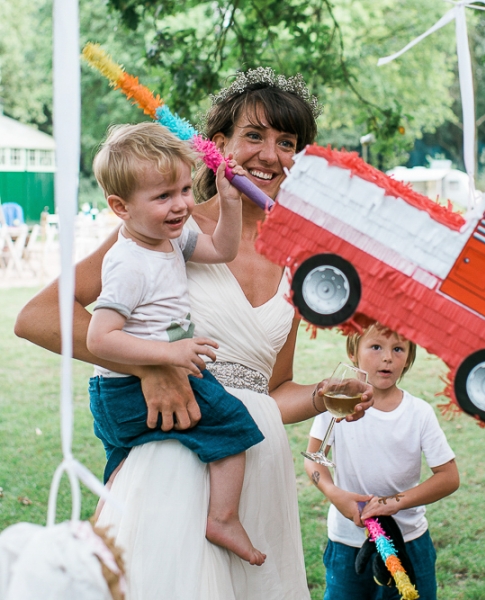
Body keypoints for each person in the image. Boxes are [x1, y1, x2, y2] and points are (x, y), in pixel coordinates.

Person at [14, 67, 373, 600]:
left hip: (257, 470)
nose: (270, 156)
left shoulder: (301, 264)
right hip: (175, 459)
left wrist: (322, 397)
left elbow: (271, 391)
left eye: (287, 142)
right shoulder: (167, 227)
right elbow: (38, 316)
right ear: (219, 144)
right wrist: (151, 365)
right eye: (254, 136)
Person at [85, 122, 265, 565]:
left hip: (120, 393)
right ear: (120, 207)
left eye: (184, 189)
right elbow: (99, 337)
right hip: (126, 388)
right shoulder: (129, 263)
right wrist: (169, 356)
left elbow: (223, 250)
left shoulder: (171, 239)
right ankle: (222, 518)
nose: (181, 204)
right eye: (163, 196)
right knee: (233, 423)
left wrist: (228, 202)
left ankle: (105, 533)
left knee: (127, 472)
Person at [304, 323, 459, 600]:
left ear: (409, 358)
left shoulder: (419, 413)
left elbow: (448, 477)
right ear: (354, 351)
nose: (387, 357)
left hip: (409, 540)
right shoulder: (337, 402)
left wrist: (394, 502)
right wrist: (334, 493)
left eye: (398, 349)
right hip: (348, 541)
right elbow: (314, 461)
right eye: (376, 347)